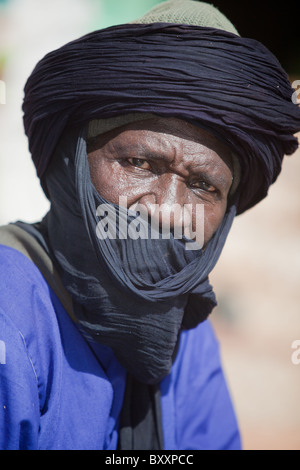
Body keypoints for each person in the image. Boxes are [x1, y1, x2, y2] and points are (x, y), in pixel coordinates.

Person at [0, 0, 299, 451]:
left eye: (203, 185)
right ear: (72, 162)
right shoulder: (11, 317)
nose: (167, 211)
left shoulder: (188, 336)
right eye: (138, 162)